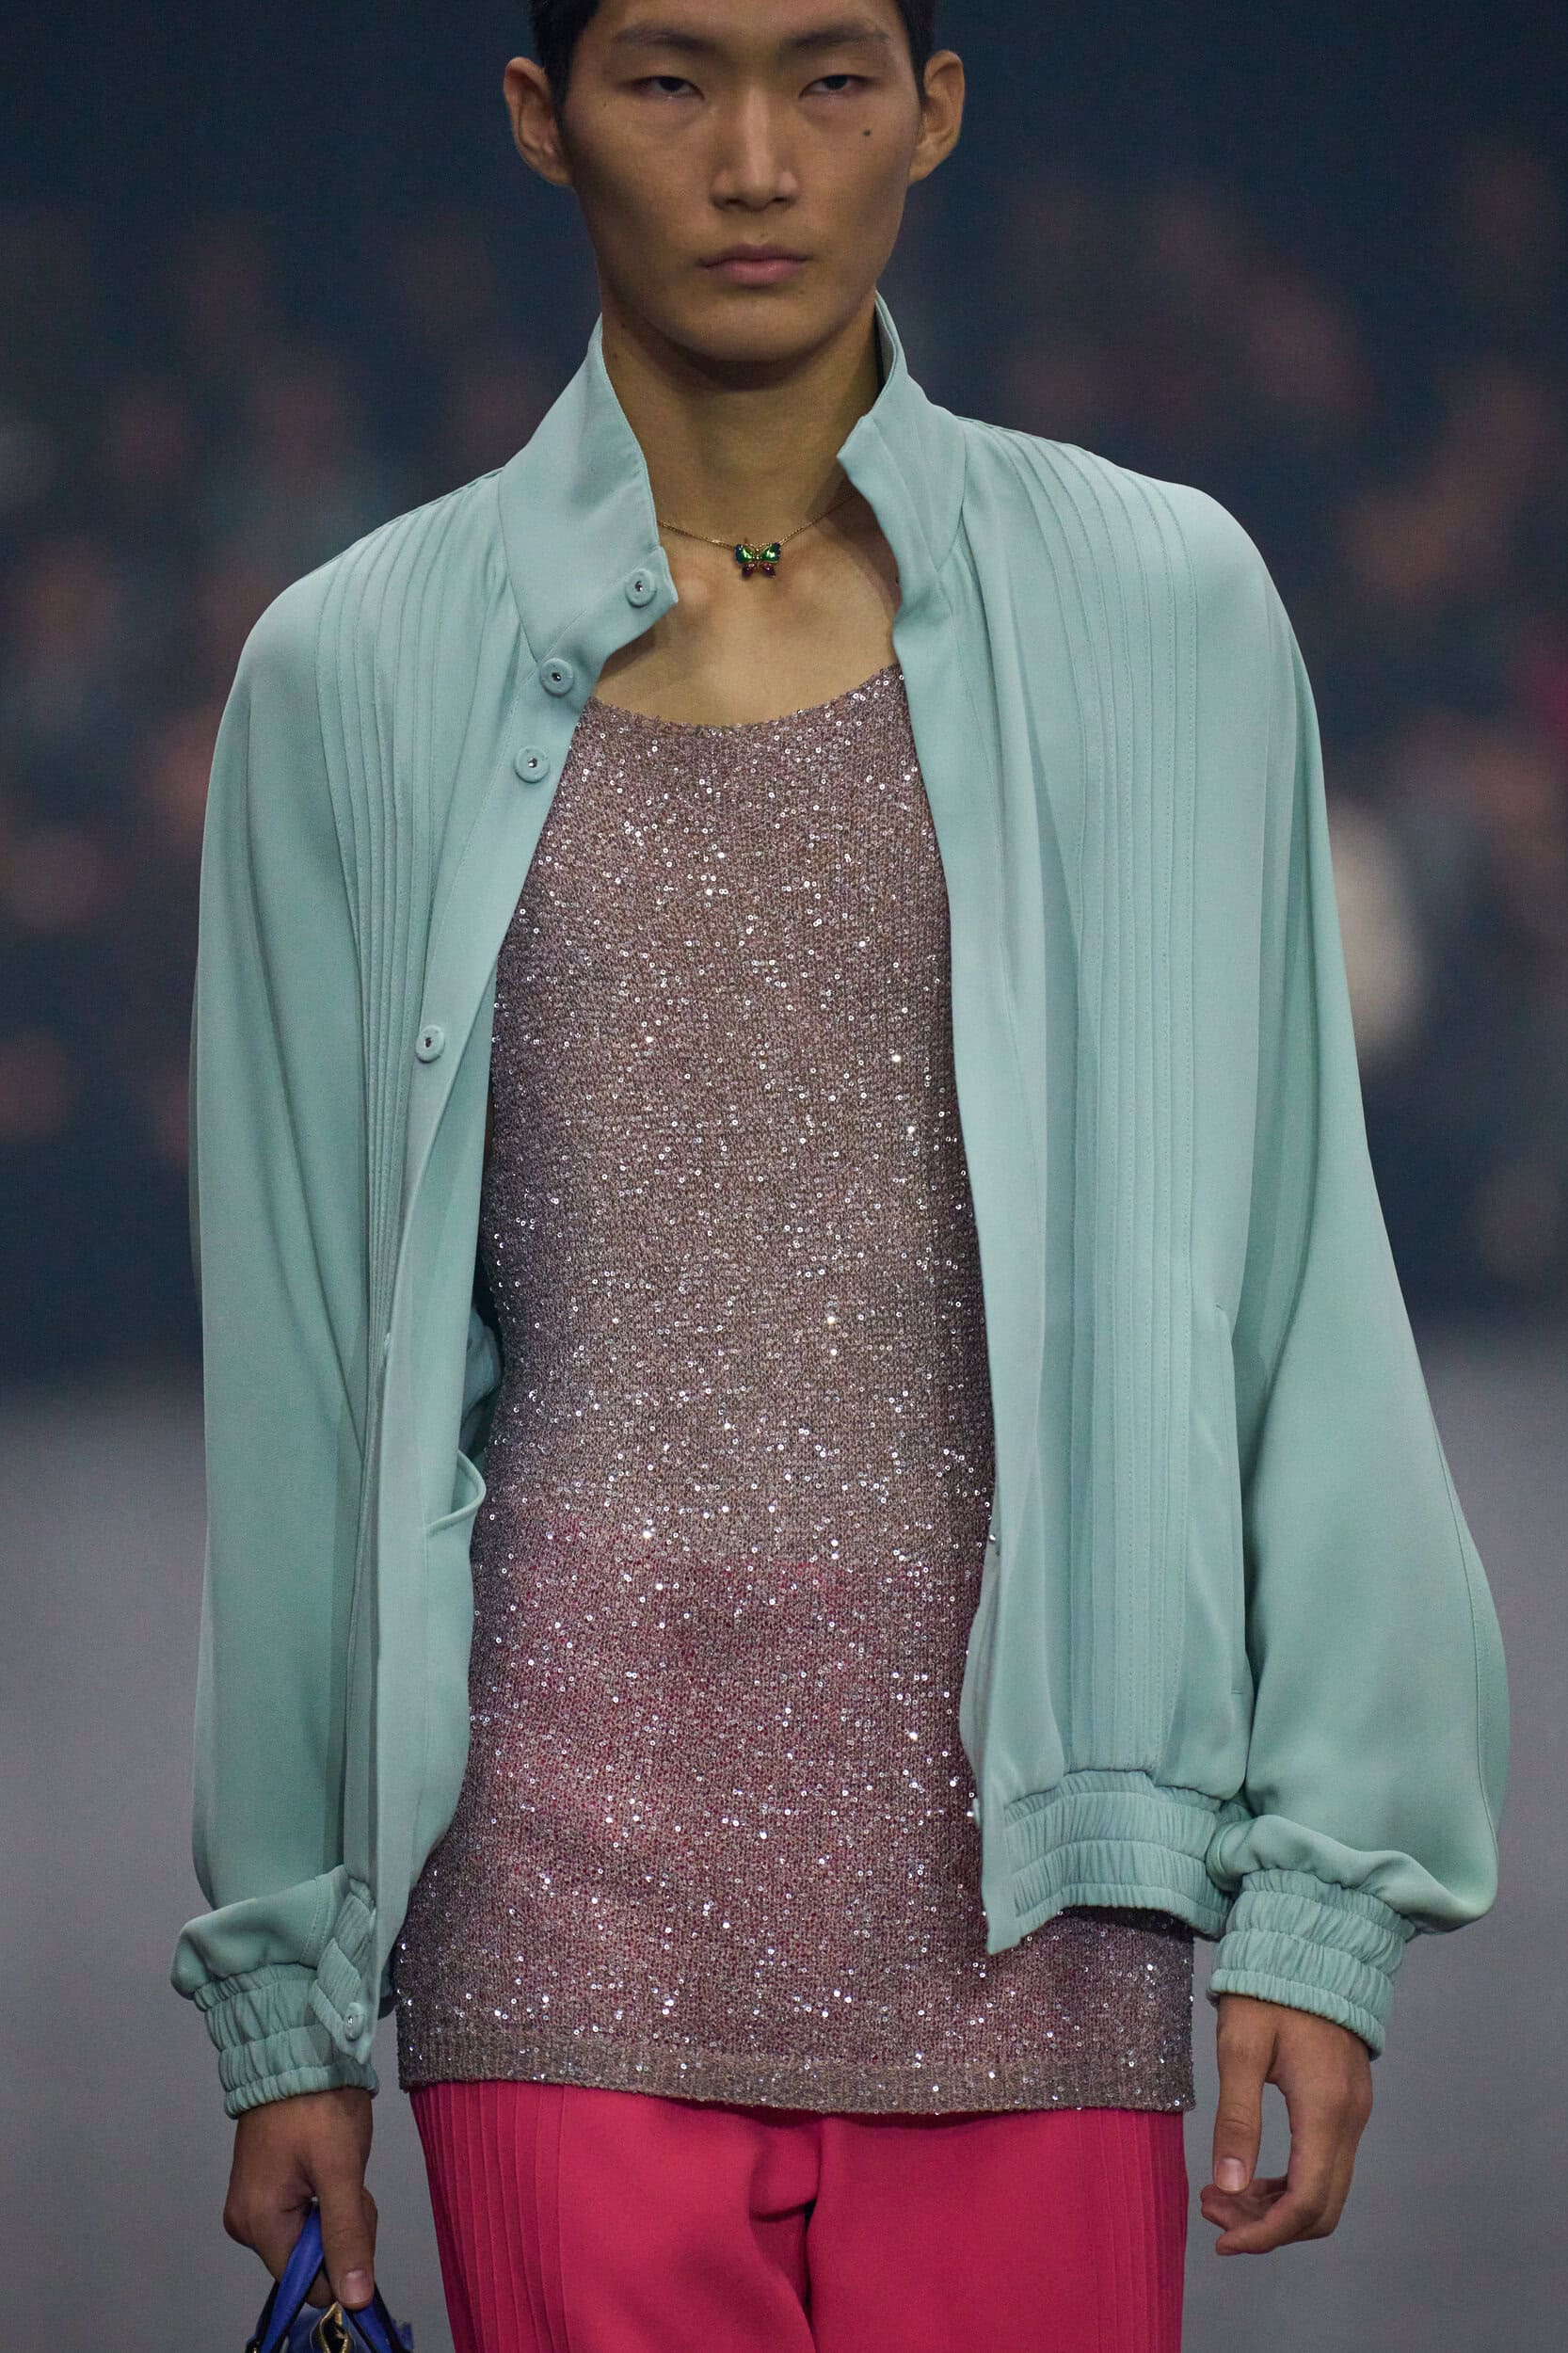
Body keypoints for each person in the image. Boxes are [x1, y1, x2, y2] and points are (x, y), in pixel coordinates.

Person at [173, 5, 1511, 2349]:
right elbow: (300, 1361)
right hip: (552, 1893)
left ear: (934, 107)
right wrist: (286, 1992)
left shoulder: (1162, 608)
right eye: (667, 80)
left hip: (1044, 1891)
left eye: (828, 78)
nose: (755, 161)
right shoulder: (353, 674)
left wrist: (1323, 1896)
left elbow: (1293, 1260)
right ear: (540, 118)